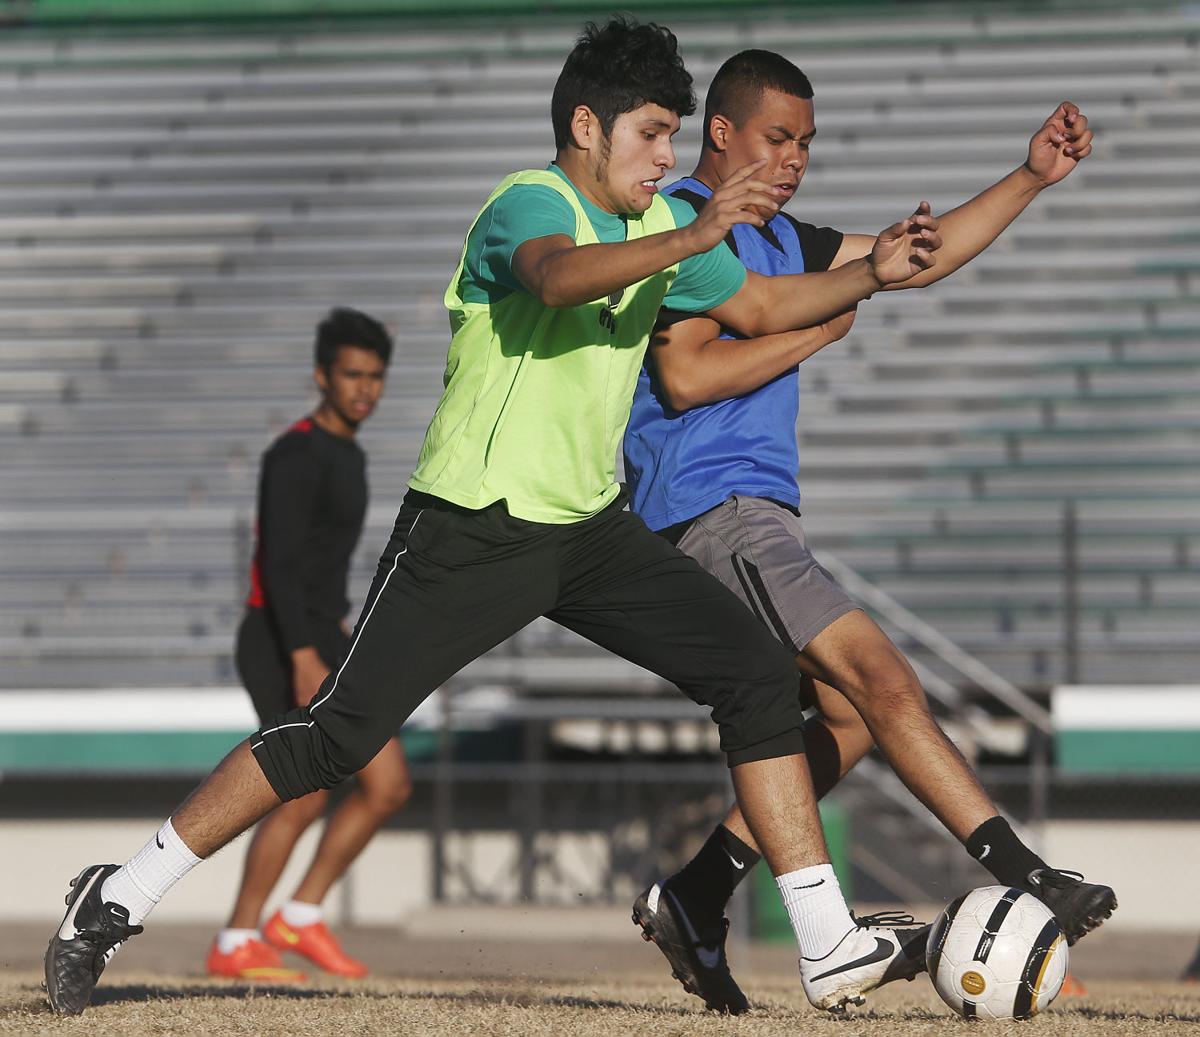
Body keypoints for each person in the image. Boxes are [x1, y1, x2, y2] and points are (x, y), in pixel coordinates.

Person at [44, 17, 941, 1017]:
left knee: (757, 674)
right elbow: (556, 278)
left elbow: (764, 309)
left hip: (589, 531)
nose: (668, 156)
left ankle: (826, 943)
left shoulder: (657, 226)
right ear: (587, 126)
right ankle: (118, 893)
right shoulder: (529, 203)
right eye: (651, 133)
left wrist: (873, 271)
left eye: (673, 135)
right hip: (472, 526)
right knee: (333, 740)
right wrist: (693, 235)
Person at [622, 50, 1115, 1015]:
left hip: (756, 513)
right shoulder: (683, 221)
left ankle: (698, 891)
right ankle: (1028, 876)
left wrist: (1030, 177)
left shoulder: (786, 239)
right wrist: (828, 318)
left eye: (807, 142)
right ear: (720, 132)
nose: (795, 158)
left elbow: (918, 259)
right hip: (709, 508)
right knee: (882, 678)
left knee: (849, 718)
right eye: (777, 138)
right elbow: (685, 376)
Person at [205, 307, 411, 983]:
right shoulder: (295, 453)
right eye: (352, 375)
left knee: (387, 784)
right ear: (322, 376)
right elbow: (278, 566)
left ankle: (299, 914)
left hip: (324, 632)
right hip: (278, 637)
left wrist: (336, 635)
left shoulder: (349, 453)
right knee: (300, 790)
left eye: (375, 376)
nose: (365, 388)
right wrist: (301, 651)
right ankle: (238, 936)